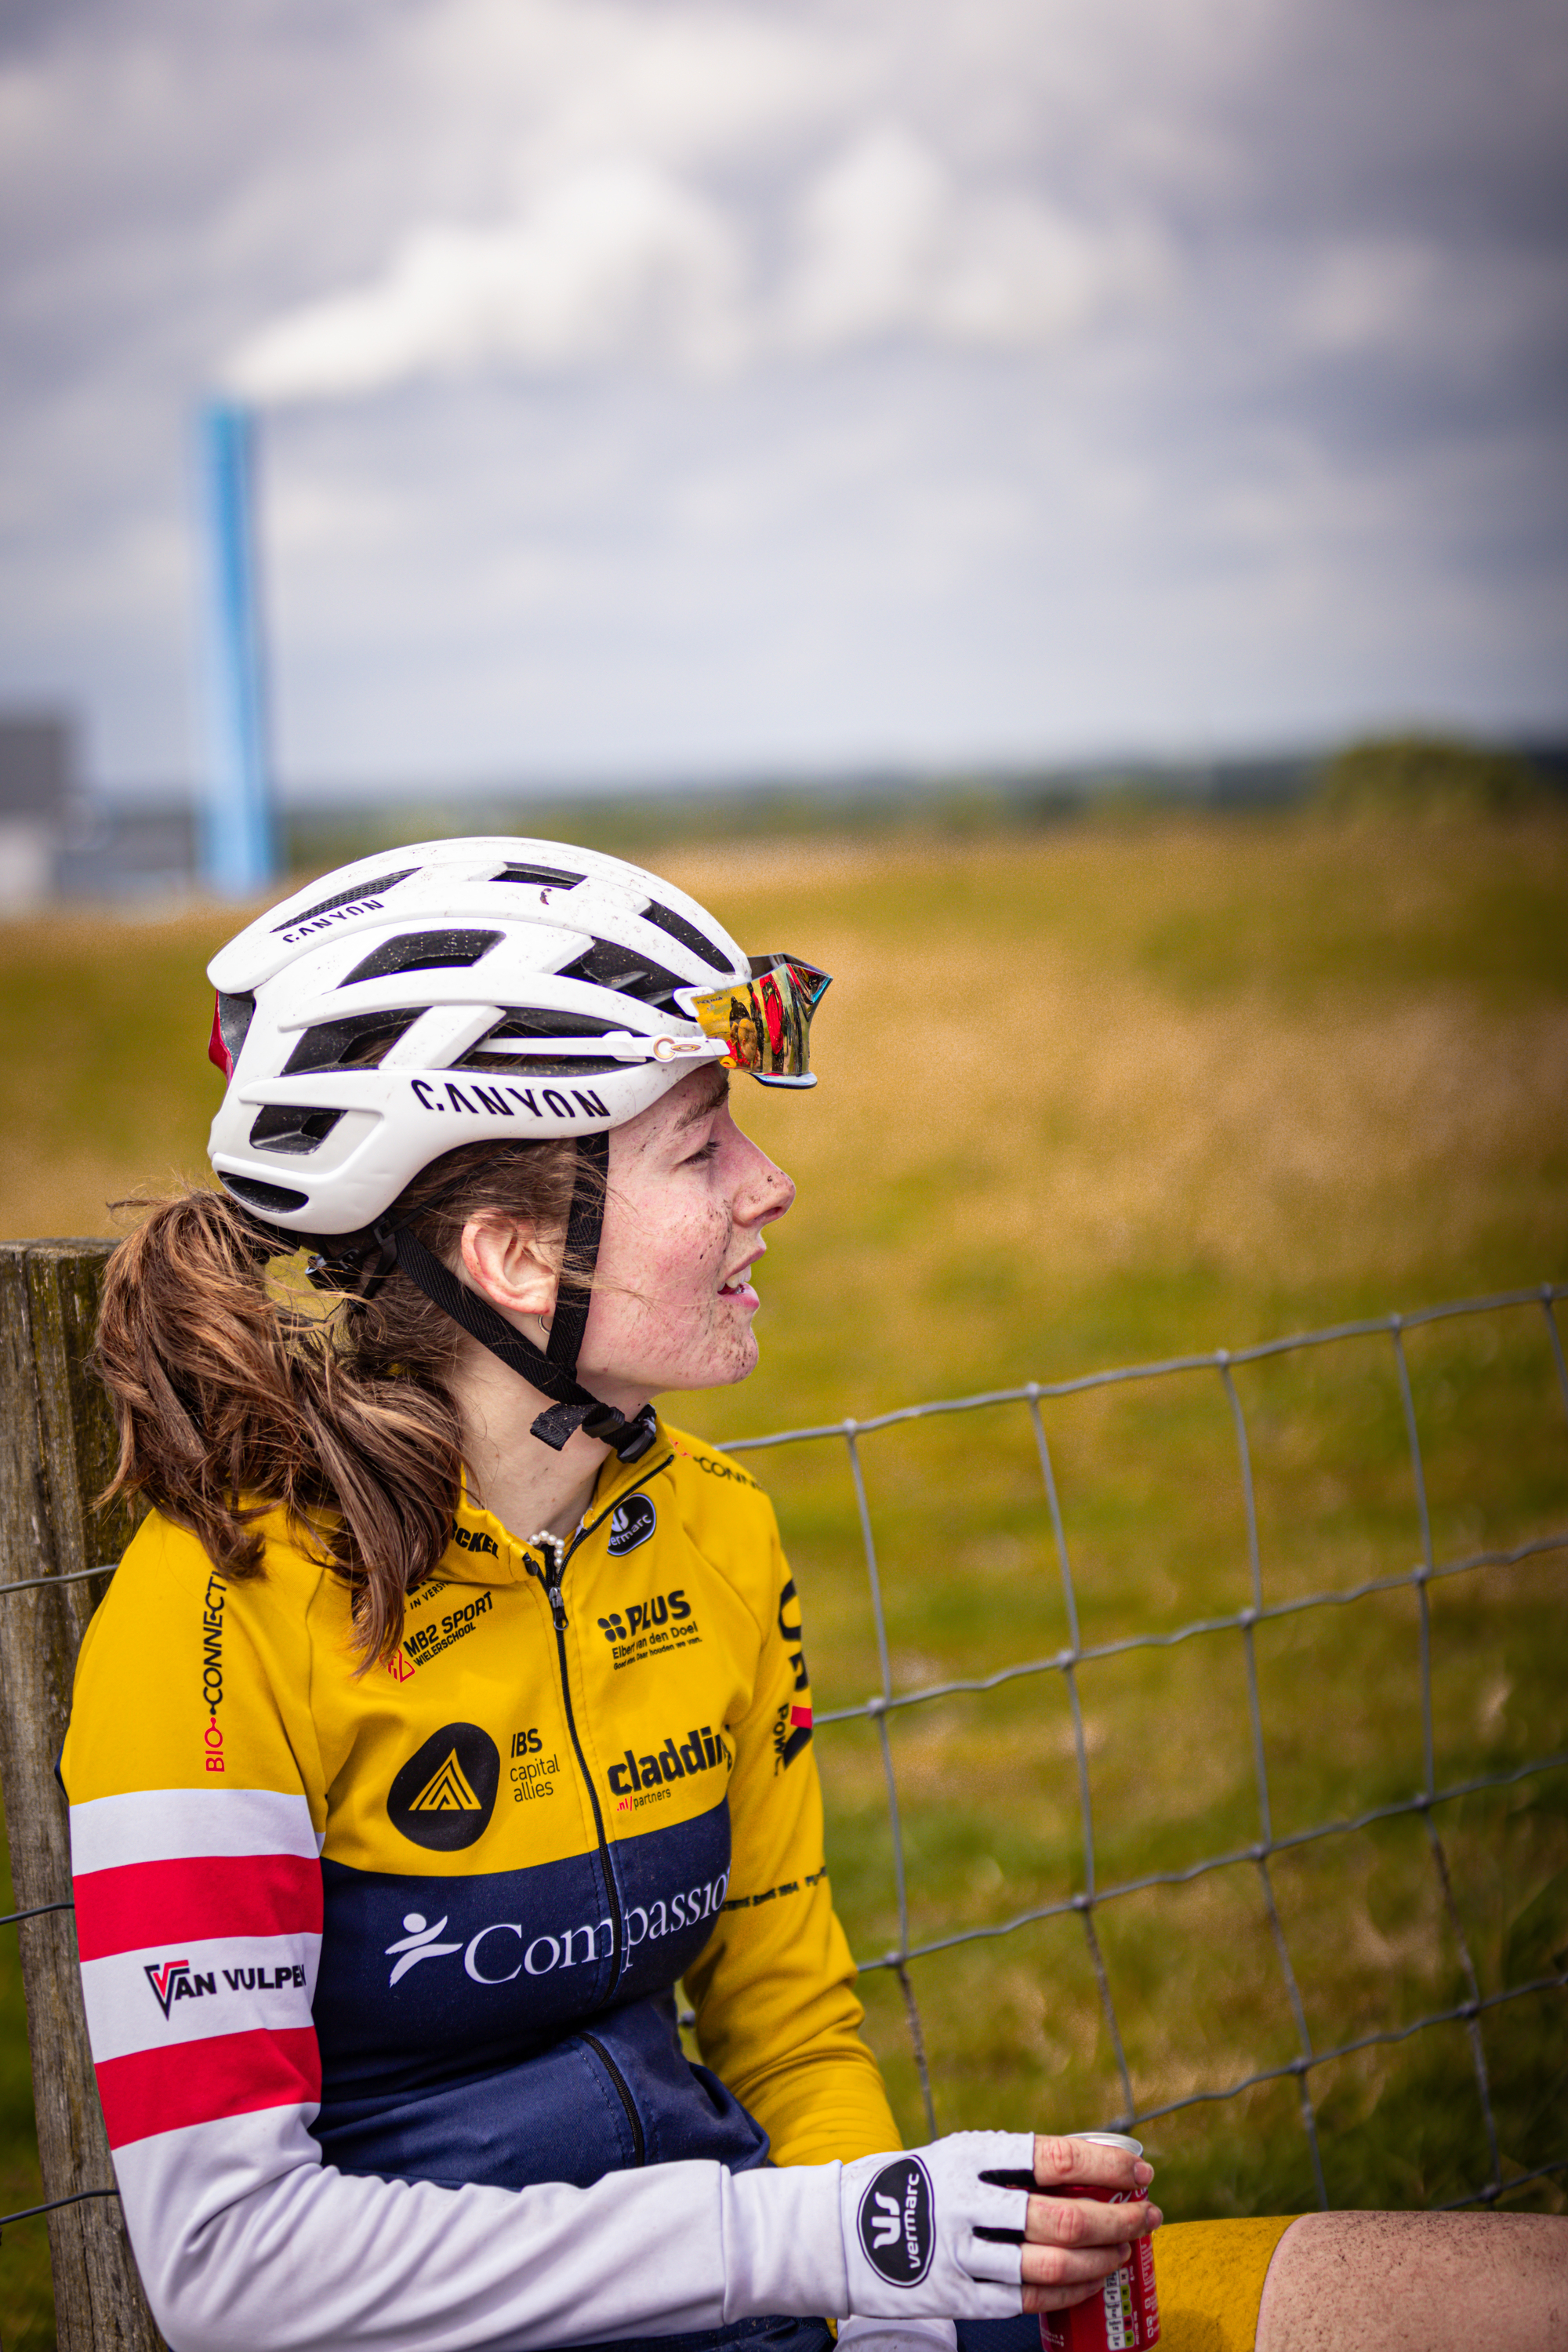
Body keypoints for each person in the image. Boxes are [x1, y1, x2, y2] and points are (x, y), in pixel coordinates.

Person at [63, 839, 1564, 2352]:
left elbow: (787, 2025)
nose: (770, 1187)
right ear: (515, 1251)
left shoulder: (712, 1533)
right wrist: (832, 2238)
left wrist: (886, 2308)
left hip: (776, 2293)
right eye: (702, 1146)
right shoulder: (211, 1619)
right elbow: (230, 2269)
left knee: (1489, 2299)